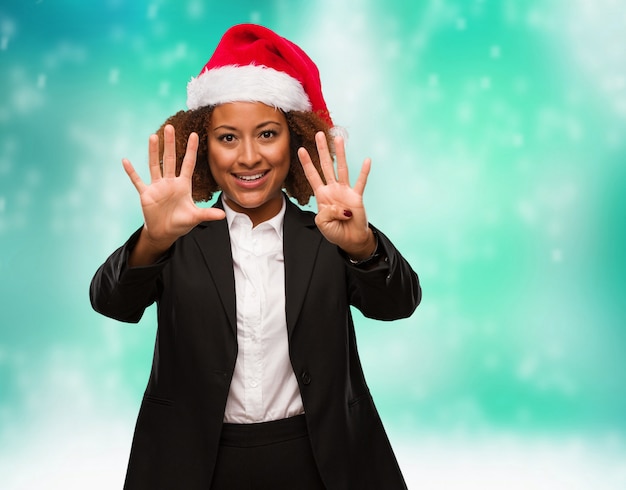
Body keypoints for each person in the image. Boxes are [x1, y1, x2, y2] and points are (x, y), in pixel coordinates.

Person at [90, 23, 421, 490]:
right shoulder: (176, 238)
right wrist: (152, 239)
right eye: (228, 138)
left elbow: (398, 304)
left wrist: (362, 246)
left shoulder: (330, 233)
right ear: (204, 146)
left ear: (297, 140)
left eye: (267, 134)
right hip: (197, 463)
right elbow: (111, 302)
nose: (248, 157)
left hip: (319, 458)